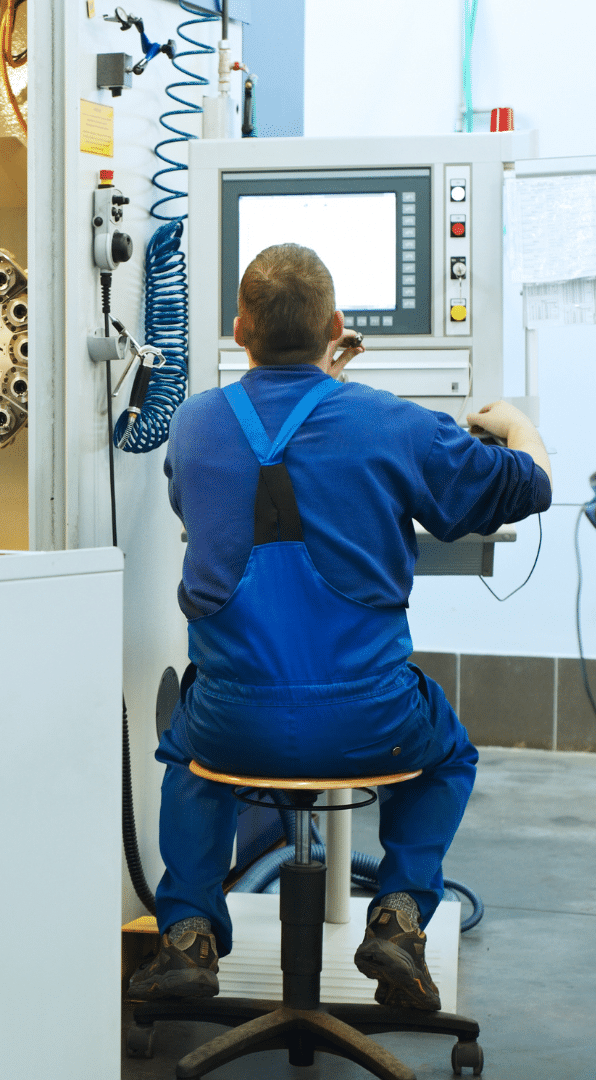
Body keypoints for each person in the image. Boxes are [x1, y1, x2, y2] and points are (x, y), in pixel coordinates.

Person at [129, 243, 552, 1009]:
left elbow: (237, 492)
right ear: (336, 325)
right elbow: (526, 487)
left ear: (239, 327)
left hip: (234, 727)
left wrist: (322, 385)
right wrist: (517, 423)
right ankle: (397, 916)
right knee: (450, 752)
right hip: (373, 725)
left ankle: (187, 931)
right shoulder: (390, 423)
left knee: (189, 746)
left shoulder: (192, 426)